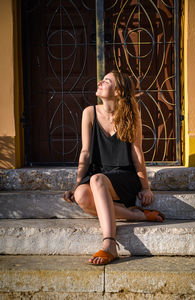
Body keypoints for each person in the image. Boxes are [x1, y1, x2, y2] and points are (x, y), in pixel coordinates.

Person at [63, 70, 165, 265]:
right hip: (97, 173)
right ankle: (137, 215)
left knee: (97, 179)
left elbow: (137, 153)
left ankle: (109, 243)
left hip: (123, 176)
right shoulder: (89, 113)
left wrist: (146, 187)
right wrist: (77, 185)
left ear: (118, 91)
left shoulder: (131, 116)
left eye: (107, 81)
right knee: (82, 197)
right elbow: (85, 152)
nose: (100, 82)